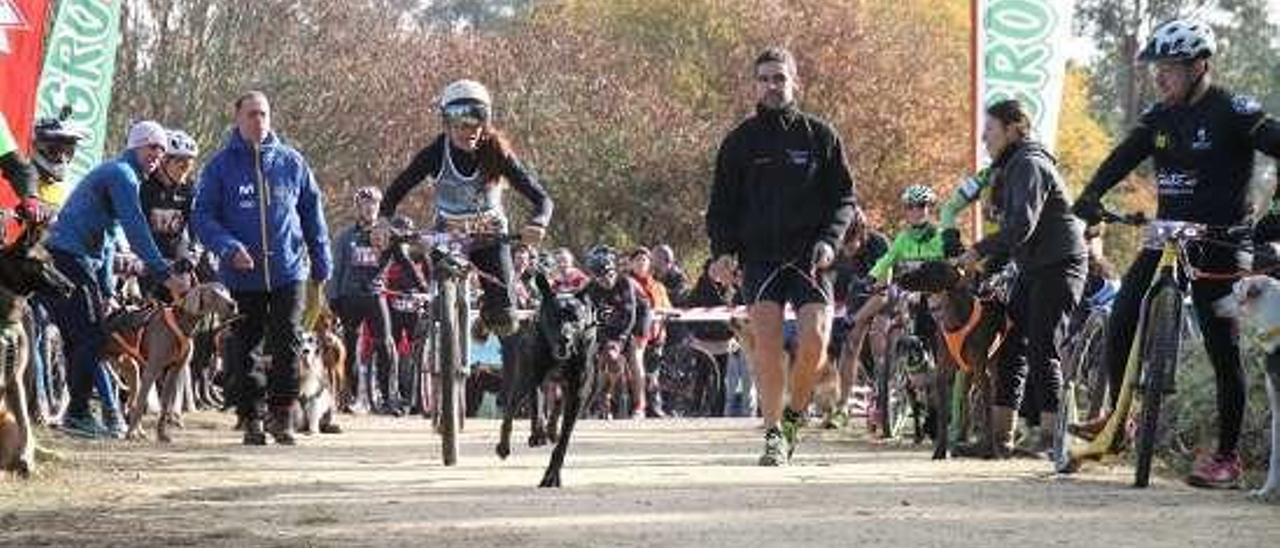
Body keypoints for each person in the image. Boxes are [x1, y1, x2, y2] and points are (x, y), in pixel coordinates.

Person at [1071, 20, 1280, 487]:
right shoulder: (1160, 115)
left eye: (1168, 69)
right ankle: (1118, 421)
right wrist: (1090, 195)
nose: (1158, 78)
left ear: (1198, 66)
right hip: (1168, 235)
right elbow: (1122, 156)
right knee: (1123, 311)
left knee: (1221, 347)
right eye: (1155, 69)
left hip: (1222, 241)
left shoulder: (1233, 110)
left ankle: (1228, 457)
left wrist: (1276, 214)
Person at [706, 46, 858, 465]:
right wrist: (722, 252)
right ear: (756, 85)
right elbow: (721, 206)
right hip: (761, 258)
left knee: (815, 342)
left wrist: (830, 238)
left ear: (795, 82)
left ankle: (794, 416)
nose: (773, 86)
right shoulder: (740, 141)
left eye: (780, 78)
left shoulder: (820, 136)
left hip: (812, 257)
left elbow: (845, 197)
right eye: (765, 79)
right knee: (768, 344)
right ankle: (773, 433)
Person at [192, 91, 332, 446]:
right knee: (246, 345)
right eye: (252, 114)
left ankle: (282, 416)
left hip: (289, 270)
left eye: (264, 114)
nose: (259, 121)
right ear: (237, 118)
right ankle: (251, 416)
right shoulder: (220, 166)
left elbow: (312, 214)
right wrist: (228, 247)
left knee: (288, 340)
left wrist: (321, 260)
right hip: (242, 275)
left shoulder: (291, 162)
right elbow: (202, 217)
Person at [44, 120, 191, 439]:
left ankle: (80, 412)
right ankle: (78, 413)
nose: (157, 154)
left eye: (162, 149)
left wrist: (108, 289)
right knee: (92, 336)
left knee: (82, 336)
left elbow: (110, 238)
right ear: (134, 146)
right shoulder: (122, 175)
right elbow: (136, 229)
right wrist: (165, 274)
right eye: (151, 146)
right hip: (67, 256)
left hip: (73, 257)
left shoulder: (125, 176)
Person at [957, 99, 1086, 459]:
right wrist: (985, 267)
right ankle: (1000, 439)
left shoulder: (1028, 164)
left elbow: (1020, 227)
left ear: (1014, 129)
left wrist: (978, 251)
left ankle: (1051, 438)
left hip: (1061, 264)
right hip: (1033, 266)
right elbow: (1015, 235)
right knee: (1012, 344)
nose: (984, 138)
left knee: (1043, 345)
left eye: (990, 129)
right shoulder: (1013, 165)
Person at [377, 79, 552, 341]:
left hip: (489, 237)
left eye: (476, 119)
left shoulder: (498, 153)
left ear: (486, 121)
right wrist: (383, 221)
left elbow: (541, 198)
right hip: (449, 235)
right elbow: (396, 189)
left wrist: (538, 223)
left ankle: (486, 314)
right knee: (443, 275)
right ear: (446, 124)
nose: (467, 129)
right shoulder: (435, 153)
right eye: (458, 121)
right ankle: (437, 330)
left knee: (506, 322)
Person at [327, 186, 404, 415]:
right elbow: (336, 269)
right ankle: (348, 396)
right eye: (365, 203)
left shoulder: (386, 234)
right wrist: (333, 298)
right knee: (349, 347)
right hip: (350, 296)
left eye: (374, 204)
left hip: (375, 295)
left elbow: (404, 260)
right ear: (358, 207)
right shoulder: (344, 237)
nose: (370, 208)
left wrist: (420, 287)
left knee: (386, 345)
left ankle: (389, 398)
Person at [829, 207, 888, 419]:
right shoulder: (838, 250)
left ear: (861, 235)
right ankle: (842, 405)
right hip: (859, 296)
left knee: (878, 340)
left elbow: (883, 294)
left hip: (884, 295)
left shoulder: (878, 244)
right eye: (842, 244)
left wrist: (855, 318)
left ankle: (885, 395)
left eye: (850, 243)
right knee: (850, 345)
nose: (846, 250)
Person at [627, 247, 669, 418]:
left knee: (653, 374)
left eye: (644, 260)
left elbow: (666, 308)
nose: (641, 263)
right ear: (631, 263)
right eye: (637, 260)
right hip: (634, 337)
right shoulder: (627, 283)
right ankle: (637, 407)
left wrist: (661, 324)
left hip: (656, 336)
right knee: (635, 372)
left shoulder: (658, 286)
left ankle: (655, 407)